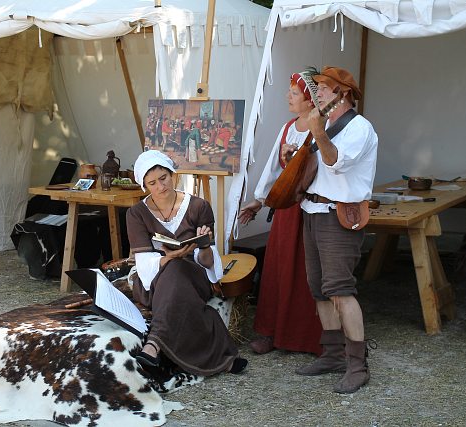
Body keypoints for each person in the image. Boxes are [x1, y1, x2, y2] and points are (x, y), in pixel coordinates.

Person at [284, 66, 378, 394]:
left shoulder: (359, 127)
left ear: (343, 93)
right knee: (319, 289)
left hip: (338, 215)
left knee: (340, 289)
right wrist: (294, 158)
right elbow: (314, 168)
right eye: (318, 87)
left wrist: (317, 132)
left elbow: (335, 162)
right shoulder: (323, 123)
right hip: (312, 210)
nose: (318, 93)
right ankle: (334, 355)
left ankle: (357, 365)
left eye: (324, 88)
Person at [126, 150, 247, 376]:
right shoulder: (136, 214)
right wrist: (171, 257)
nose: (160, 186)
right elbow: (144, 267)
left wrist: (204, 246)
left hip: (194, 276)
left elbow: (208, 263)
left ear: (173, 174)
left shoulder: (199, 207)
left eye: (163, 178)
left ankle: (153, 345)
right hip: (155, 281)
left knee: (179, 270)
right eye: (152, 183)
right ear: (144, 186)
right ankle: (223, 360)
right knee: (174, 269)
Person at [238, 71, 323, 356]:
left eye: (294, 93)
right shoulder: (288, 128)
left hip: (312, 209)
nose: (288, 96)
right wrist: (259, 201)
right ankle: (271, 331)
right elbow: (273, 171)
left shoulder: (322, 128)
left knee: (307, 272)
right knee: (279, 268)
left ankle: (306, 337)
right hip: (287, 210)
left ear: (310, 100)